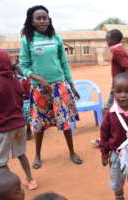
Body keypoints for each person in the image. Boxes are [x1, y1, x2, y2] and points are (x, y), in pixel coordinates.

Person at [19, 5, 82, 169]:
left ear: (49, 19)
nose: (41, 21)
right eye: (38, 18)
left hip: (59, 87)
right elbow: (23, 67)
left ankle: (72, 152)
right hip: (39, 89)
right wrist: (39, 79)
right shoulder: (27, 40)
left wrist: (72, 85)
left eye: (44, 17)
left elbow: (64, 64)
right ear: (31, 22)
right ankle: (38, 155)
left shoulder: (56, 38)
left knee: (65, 122)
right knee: (39, 124)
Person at [0, 49, 38, 190]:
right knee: (20, 154)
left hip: (3, 128)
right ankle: (31, 180)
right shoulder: (16, 81)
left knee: (1, 161)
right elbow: (20, 100)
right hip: (19, 125)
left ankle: (9, 187)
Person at [92, 29, 128, 147]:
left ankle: (104, 139)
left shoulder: (117, 51)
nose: (106, 41)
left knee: (107, 110)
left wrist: (122, 85)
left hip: (117, 87)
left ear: (115, 40)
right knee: (116, 111)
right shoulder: (118, 50)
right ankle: (115, 136)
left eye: (108, 39)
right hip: (118, 86)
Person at [13, 64, 33, 140]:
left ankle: (28, 129)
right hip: (16, 101)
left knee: (27, 115)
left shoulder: (26, 79)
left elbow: (28, 92)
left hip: (26, 101)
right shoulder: (13, 79)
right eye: (17, 70)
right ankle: (19, 131)